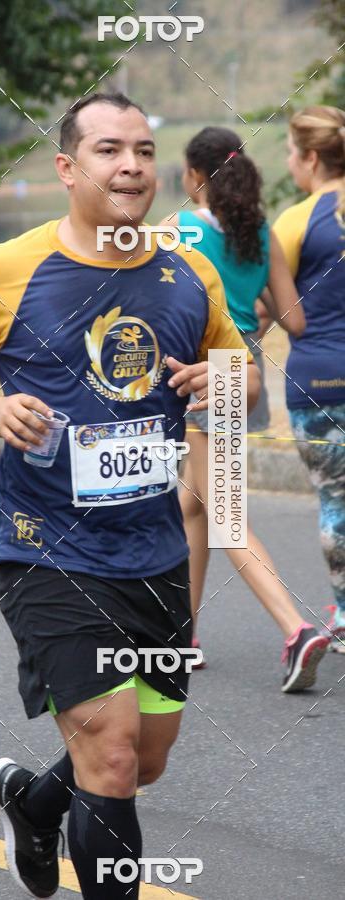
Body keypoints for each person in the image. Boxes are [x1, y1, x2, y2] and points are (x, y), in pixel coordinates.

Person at [0, 93, 260, 899]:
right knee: (115, 755)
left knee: (145, 758)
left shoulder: (187, 271)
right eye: (107, 150)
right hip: (46, 550)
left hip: (156, 552)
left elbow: (244, 373)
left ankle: (34, 801)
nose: (129, 164)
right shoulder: (4, 270)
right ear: (68, 167)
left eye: (141, 149)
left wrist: (223, 380)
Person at [163, 126, 329, 692]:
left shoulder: (178, 228)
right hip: (243, 372)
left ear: (193, 177)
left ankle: (295, 629)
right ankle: (180, 637)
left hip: (200, 375)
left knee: (225, 514)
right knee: (194, 503)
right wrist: (248, 306)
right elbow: (295, 319)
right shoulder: (260, 232)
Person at [273, 105, 345, 655]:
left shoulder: (295, 222)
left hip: (318, 380)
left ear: (312, 157)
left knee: (335, 499)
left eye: (292, 153)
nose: (289, 162)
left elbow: (286, 313)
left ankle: (344, 614)